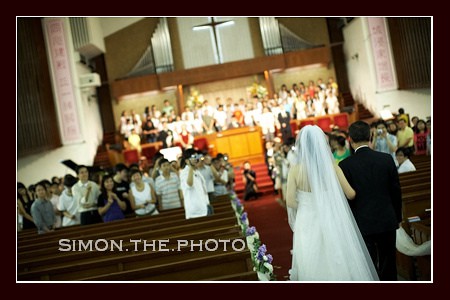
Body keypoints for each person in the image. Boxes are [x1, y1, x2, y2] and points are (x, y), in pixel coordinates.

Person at [286, 125, 378, 281]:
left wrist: (306, 205)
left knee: (310, 258)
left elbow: (289, 201)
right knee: (338, 255)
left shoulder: (295, 170)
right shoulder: (332, 167)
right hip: (331, 217)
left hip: (307, 221)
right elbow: (350, 194)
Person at [339, 121, 402, 281]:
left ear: (350, 140)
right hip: (387, 218)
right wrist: (398, 218)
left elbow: (347, 198)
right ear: (370, 136)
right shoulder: (386, 159)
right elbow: (395, 191)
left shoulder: (345, 165)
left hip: (362, 222)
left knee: (368, 265)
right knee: (389, 263)